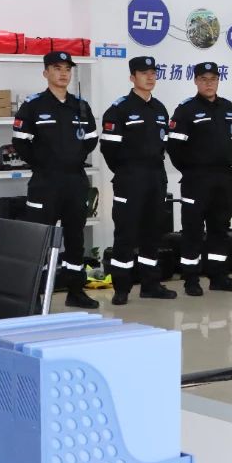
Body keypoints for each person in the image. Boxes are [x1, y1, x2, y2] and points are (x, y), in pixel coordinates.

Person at [12, 51, 100, 309]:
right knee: (39, 238)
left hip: (75, 181)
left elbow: (91, 139)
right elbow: (20, 142)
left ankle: (75, 291)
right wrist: (43, 164)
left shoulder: (80, 106)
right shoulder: (33, 105)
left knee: (75, 239)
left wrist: (73, 159)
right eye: (57, 68)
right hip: (45, 183)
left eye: (67, 69)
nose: (63, 73)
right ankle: (35, 296)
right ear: (46, 73)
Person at [99, 56, 178, 305]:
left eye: (153, 73)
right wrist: (127, 171)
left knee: (153, 234)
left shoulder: (160, 109)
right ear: (132, 77)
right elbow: (109, 149)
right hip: (130, 179)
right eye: (144, 73)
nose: (150, 77)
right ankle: (121, 288)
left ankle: (150, 284)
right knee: (126, 233)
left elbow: (164, 145)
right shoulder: (119, 109)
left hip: (155, 178)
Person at [166, 61, 232, 296]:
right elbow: (174, 147)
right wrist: (191, 170)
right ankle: (191, 280)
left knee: (220, 228)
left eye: (213, 79)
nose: (209, 83)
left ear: (218, 81)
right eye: (204, 79)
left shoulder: (228, 107)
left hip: (224, 178)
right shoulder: (186, 109)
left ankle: (218, 276)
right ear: (196, 81)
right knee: (192, 230)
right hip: (196, 179)